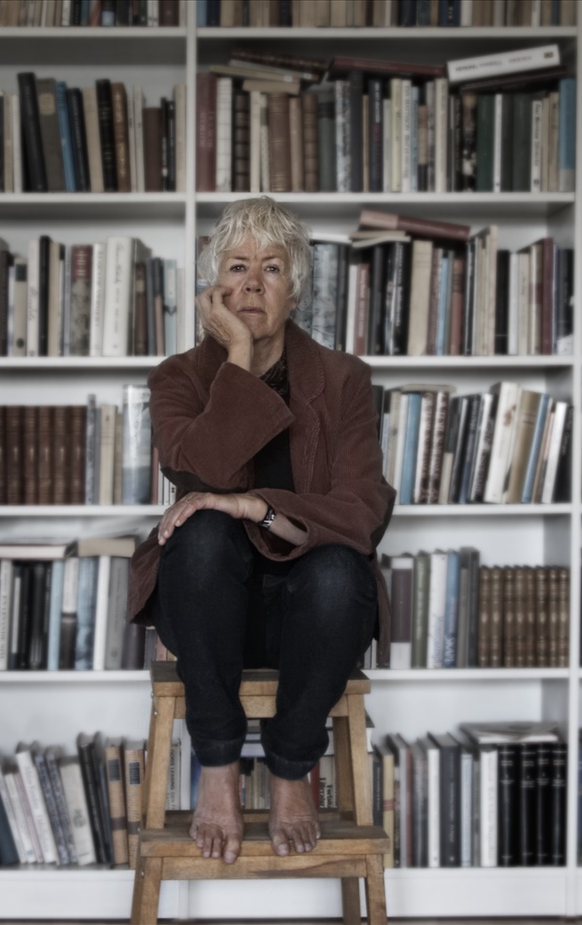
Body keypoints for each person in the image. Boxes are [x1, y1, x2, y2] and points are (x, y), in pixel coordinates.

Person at [126, 196, 395, 866]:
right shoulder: (178, 379)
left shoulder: (344, 379)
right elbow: (204, 469)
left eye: (271, 268)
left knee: (338, 568)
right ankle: (217, 764)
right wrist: (239, 356)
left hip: (314, 620)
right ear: (214, 286)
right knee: (202, 536)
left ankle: (290, 767)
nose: (252, 283)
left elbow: (362, 510)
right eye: (237, 267)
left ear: (293, 290)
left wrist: (256, 506)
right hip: (208, 612)